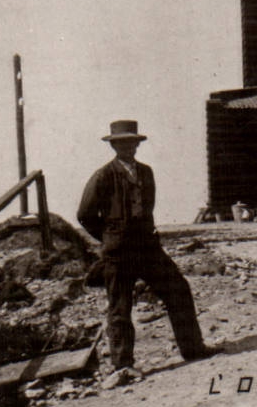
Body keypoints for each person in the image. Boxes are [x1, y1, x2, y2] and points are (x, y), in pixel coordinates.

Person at [77, 119, 213, 386]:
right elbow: (84, 214)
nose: (128, 147)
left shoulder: (147, 173)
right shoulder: (103, 176)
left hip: (148, 248)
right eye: (122, 143)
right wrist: (109, 237)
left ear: (137, 144)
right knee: (120, 308)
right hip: (119, 253)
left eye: (132, 142)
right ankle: (122, 366)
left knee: (178, 289)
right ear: (113, 146)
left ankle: (193, 349)